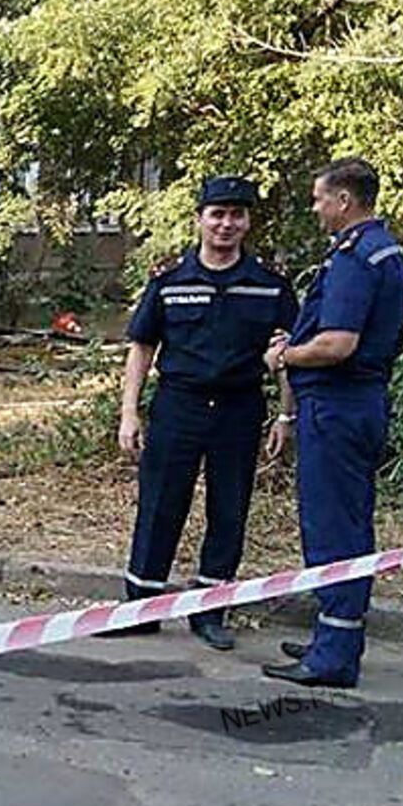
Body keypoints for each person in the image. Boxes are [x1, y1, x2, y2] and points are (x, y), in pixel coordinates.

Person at [108, 176, 297, 651]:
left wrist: (285, 415)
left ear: (248, 221)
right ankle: (143, 606)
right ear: (199, 219)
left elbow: (287, 353)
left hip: (238, 408)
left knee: (229, 509)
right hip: (178, 406)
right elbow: (142, 347)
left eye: (237, 215)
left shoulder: (269, 285)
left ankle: (210, 610)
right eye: (217, 214)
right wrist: (129, 413)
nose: (226, 224)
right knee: (160, 505)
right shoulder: (170, 280)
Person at [262, 157, 403, 688]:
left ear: (344, 200)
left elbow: (338, 344)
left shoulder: (356, 257)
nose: (315, 207)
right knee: (345, 521)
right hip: (356, 403)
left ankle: (333, 658)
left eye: (319, 198)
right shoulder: (386, 250)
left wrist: (286, 357)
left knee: (334, 528)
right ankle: (334, 636)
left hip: (339, 406)